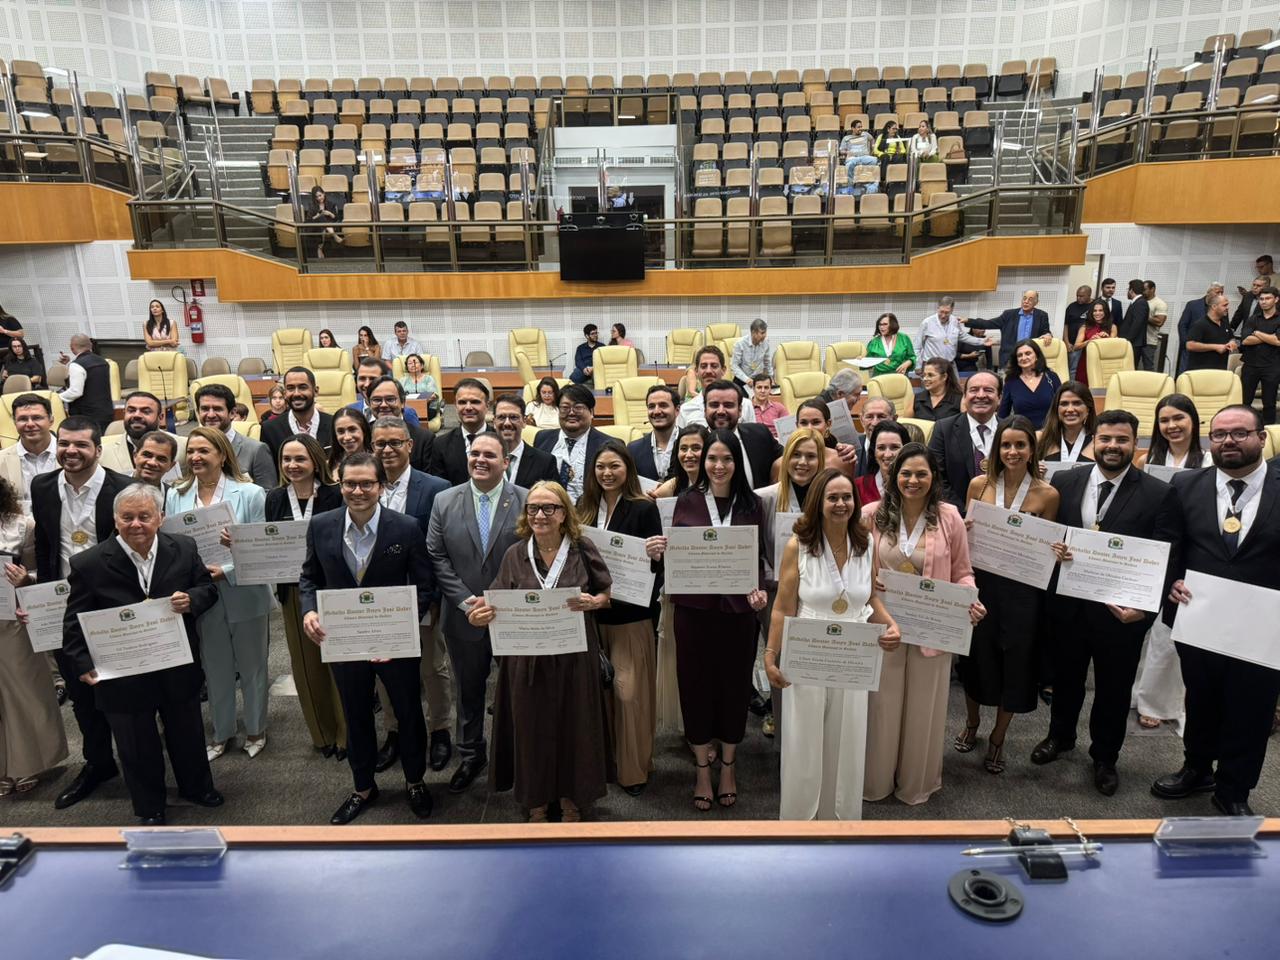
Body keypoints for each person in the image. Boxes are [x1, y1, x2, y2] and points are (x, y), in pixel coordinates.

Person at [1031, 410, 1176, 795]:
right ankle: (1060, 738)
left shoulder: (1158, 493)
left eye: (1121, 440)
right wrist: (1054, 548)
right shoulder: (1066, 480)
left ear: (1136, 444)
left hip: (1120, 614)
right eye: (1106, 439)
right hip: (1069, 606)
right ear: (1095, 441)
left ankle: (1105, 757)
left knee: (1113, 690)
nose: (1112, 447)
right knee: (1066, 680)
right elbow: (1051, 532)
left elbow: (1166, 557)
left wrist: (1146, 610)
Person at [59, 483, 221, 824]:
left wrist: (193, 600)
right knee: (136, 744)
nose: (136, 524)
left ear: (160, 518)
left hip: (175, 661)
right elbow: (73, 622)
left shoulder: (184, 547)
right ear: (115, 520)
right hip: (122, 671)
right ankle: (150, 806)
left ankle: (197, 788)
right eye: (128, 517)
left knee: (187, 732)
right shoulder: (88, 563)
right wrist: (84, 665)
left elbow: (207, 588)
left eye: (144, 516)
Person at [1154, 405, 1280, 816]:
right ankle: (1197, 768)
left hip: (1263, 625)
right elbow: (1171, 544)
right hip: (1200, 617)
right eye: (1220, 434)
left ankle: (1234, 788)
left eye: (1240, 433)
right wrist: (1169, 583)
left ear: (1262, 437)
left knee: (1252, 708)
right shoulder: (1187, 485)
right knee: (1202, 699)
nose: (1229, 441)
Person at [300, 452, 437, 824]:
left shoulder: (406, 527)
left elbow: (425, 586)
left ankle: (414, 781)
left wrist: (395, 628)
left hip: (395, 643)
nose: (358, 491)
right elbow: (309, 578)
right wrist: (309, 610)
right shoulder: (321, 525)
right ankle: (363, 786)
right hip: (344, 640)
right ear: (339, 484)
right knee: (356, 714)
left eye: (367, 484)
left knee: (408, 713)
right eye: (349, 484)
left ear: (381, 486)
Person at [467, 480, 612, 821]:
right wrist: (479, 616)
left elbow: (605, 591)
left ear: (564, 513)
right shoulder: (515, 553)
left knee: (575, 726)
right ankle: (535, 800)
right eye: (533, 508)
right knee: (532, 728)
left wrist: (596, 601)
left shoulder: (582, 548)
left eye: (550, 508)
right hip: (527, 660)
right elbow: (496, 601)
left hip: (575, 656)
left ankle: (571, 798)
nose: (541, 515)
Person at [766, 468, 899, 820]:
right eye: (833, 498)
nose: (841, 504)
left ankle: (840, 819)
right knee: (805, 742)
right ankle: (799, 822)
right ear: (818, 502)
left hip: (854, 653)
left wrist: (890, 625)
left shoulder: (866, 542)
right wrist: (770, 656)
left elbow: (869, 598)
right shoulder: (800, 545)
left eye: (847, 497)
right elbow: (782, 606)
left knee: (847, 739)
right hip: (808, 648)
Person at [864, 443, 984, 804]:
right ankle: (876, 780)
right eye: (905, 473)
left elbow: (963, 571)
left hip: (933, 624)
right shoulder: (871, 514)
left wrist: (972, 598)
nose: (912, 480)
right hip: (883, 623)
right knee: (881, 707)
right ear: (892, 475)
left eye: (921, 474)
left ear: (934, 479)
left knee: (923, 709)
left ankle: (915, 783)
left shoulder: (949, 517)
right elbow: (855, 569)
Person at [31, 417, 132, 809]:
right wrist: (37, 593)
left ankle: (139, 761)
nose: (71, 452)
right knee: (79, 691)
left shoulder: (122, 488)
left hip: (111, 603)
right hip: (60, 605)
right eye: (65, 444)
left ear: (98, 450)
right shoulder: (42, 485)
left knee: (122, 688)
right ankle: (98, 763)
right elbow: (44, 542)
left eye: (80, 446)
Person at [668, 430, 768, 810]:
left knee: (733, 689)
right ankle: (701, 770)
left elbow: (757, 558)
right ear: (702, 462)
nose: (719, 466)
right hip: (693, 613)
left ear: (736, 462)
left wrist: (758, 591)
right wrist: (660, 551)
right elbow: (676, 556)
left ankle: (727, 765)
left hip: (738, 615)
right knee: (694, 689)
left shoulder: (751, 504)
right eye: (712, 458)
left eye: (727, 459)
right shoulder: (685, 502)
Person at [427, 432, 528, 794]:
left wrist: (498, 601)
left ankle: (517, 754)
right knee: (468, 691)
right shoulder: (444, 501)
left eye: (489, 454)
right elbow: (436, 556)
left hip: (514, 616)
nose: (480, 459)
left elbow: (535, 557)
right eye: (475, 453)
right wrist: (468, 602)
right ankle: (471, 755)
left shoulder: (527, 501)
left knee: (517, 690)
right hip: (464, 616)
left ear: (506, 462)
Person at [958, 416, 1060, 774]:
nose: (1013, 451)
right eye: (1006, 445)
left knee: (1016, 666)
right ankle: (972, 724)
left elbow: (1046, 547)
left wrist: (1057, 549)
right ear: (996, 449)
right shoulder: (978, 486)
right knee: (974, 658)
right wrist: (963, 529)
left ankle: (999, 738)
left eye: (1021, 445)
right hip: (981, 584)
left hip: (1022, 594)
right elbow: (962, 541)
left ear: (1032, 450)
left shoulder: (1047, 494)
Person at [166, 427, 272, 761]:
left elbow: (262, 548)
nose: (195, 457)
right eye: (191, 451)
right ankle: (222, 732)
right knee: (215, 668)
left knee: (253, 666)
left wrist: (229, 563)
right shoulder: (175, 495)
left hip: (245, 591)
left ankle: (256, 729)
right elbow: (173, 545)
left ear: (222, 455)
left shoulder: (251, 494)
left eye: (203, 451)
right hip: (203, 594)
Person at [576, 442, 664, 795]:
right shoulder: (583, 511)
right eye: (600, 467)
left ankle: (634, 770)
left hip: (631, 618)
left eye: (614, 466)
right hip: (592, 618)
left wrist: (655, 556)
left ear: (628, 468)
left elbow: (656, 569)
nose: (607, 473)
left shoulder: (643, 508)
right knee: (599, 697)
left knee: (630, 698)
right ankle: (605, 764)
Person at [367, 416, 453, 773]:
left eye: (394, 443)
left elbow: (439, 547)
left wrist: (432, 595)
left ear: (410, 446)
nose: (387, 450)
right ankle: (395, 730)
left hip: (422, 593)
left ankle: (441, 730)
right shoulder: (363, 485)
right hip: (378, 600)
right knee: (384, 669)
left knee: (433, 667)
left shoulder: (436, 488)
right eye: (380, 444)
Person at [266, 435, 346, 759]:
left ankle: (346, 735)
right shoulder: (274, 498)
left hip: (330, 590)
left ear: (315, 460)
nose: (292, 465)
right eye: (286, 459)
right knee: (306, 667)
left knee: (338, 665)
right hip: (292, 591)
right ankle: (322, 734)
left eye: (300, 459)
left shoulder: (334, 495)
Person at [1132, 395, 1203, 731]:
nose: (1172, 426)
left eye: (1179, 418)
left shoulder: (1208, 461)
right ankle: (1139, 692)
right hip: (1153, 548)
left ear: (1193, 420)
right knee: (1148, 627)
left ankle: (1158, 702)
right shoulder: (1147, 459)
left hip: (1192, 550)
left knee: (1171, 631)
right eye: (1164, 421)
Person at [0, 475, 66, 797]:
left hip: (12, 620)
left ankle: (27, 764)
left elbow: (42, 572)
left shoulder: (22, 525)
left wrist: (25, 579)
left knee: (24, 695)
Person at [927, 370, 1001, 513]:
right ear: (964, 396)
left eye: (988, 390)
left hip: (1001, 519)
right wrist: (962, 514)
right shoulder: (943, 429)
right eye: (974, 390)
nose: (980, 395)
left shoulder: (1009, 430)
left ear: (1000, 398)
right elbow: (937, 478)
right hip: (956, 515)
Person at [700, 379, 782, 489]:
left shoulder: (759, 434)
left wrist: (776, 471)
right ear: (705, 410)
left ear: (740, 411)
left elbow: (787, 456)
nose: (721, 411)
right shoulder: (694, 445)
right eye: (714, 405)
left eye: (728, 405)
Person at [533, 383, 609, 502]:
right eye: (565, 407)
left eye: (578, 407)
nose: (571, 413)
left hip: (590, 514)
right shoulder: (542, 438)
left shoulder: (608, 445)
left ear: (591, 412)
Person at [194, 383, 276, 489]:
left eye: (217, 409)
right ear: (198, 412)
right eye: (205, 409)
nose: (210, 415)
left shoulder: (256, 450)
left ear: (232, 413)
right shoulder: (191, 450)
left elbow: (269, 496)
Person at [261, 367, 336, 460]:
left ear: (316, 391)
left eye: (303, 387)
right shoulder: (270, 429)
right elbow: (269, 472)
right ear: (285, 394)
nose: (296, 393)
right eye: (290, 388)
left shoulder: (334, 424)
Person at [428, 377, 492, 485]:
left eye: (475, 402)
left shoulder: (501, 440)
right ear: (456, 406)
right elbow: (440, 487)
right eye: (462, 402)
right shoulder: (440, 444)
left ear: (487, 406)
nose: (468, 407)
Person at [966, 290, 1053, 367]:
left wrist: (1048, 335)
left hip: (1031, 358)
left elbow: (1046, 332)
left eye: (1030, 299)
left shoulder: (1042, 315)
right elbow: (988, 323)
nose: (1026, 301)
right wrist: (968, 321)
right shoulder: (1009, 315)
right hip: (1010, 358)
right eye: (1024, 298)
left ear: (1036, 302)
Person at [677, 346, 757, 427]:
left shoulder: (745, 405)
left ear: (723, 370)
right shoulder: (686, 410)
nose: (708, 371)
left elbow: (751, 438)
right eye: (704, 366)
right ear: (696, 371)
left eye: (714, 366)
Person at [366, 376, 433, 471]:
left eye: (390, 399)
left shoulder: (424, 438)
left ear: (402, 402)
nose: (383, 405)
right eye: (377, 400)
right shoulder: (363, 436)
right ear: (369, 404)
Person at [491, 393, 557, 488]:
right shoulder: (482, 459)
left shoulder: (545, 462)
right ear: (494, 422)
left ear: (524, 421)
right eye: (501, 417)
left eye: (513, 417)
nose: (507, 423)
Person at [0, 393, 58, 497]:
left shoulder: (75, 454)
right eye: (23, 419)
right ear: (15, 422)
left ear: (51, 420)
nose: (30, 424)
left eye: (37, 418)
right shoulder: (1, 460)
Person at [1239, 285, 1280, 424]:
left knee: (1269, 403)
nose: (1263, 301)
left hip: (1272, 366)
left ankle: (1269, 433)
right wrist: (1270, 337)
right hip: (1251, 365)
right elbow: (1245, 340)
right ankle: (1243, 428)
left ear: (1276, 299)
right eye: (1261, 299)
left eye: (1267, 298)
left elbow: (1278, 342)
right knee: (1244, 401)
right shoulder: (1253, 318)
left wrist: (1256, 332)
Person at [998, 339, 1061, 429]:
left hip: (1051, 433)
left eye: (1028, 353)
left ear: (1037, 356)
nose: (1023, 358)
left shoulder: (1051, 377)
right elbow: (1003, 415)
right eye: (1019, 355)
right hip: (1024, 435)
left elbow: (1062, 405)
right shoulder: (1010, 381)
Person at [57, 334, 114, 431]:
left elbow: (75, 392)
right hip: (106, 412)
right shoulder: (103, 361)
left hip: (86, 417)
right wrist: (69, 364)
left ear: (72, 348)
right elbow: (93, 382)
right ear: (90, 346)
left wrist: (56, 397)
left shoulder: (77, 365)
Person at [791, 398, 858, 477]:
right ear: (797, 425)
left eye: (816, 422)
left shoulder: (842, 460)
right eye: (803, 423)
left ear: (828, 424)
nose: (809, 428)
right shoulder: (783, 462)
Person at [1037, 380, 1096, 466]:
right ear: (1056, 409)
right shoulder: (1040, 439)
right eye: (1064, 404)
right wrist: (1033, 471)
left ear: (1088, 409)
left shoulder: (1098, 441)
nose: (1070, 409)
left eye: (1077, 403)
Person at [627, 384, 680, 482]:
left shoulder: (692, 443)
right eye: (651, 406)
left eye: (663, 405)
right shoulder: (633, 450)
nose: (656, 411)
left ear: (677, 410)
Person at [918, 296, 988, 366]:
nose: (943, 315)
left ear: (952, 310)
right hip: (932, 365)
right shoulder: (927, 323)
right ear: (938, 308)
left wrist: (983, 341)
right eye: (941, 311)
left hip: (950, 364)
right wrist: (918, 365)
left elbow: (964, 337)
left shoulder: (955, 321)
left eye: (947, 313)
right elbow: (917, 346)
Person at [856, 420, 911, 506]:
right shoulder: (859, 486)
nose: (888, 454)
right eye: (881, 448)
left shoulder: (915, 485)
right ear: (873, 451)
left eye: (894, 447)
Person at [1176, 283, 1225, 375]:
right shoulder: (1192, 305)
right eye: (1217, 292)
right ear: (1208, 292)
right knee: (1185, 375)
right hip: (1191, 347)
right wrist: (1185, 342)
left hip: (1209, 350)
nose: (1220, 295)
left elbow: (1222, 327)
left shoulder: (1221, 309)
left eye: (1222, 293)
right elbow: (1182, 325)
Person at [1184, 292, 1236, 372]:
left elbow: (1231, 337)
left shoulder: (1224, 323)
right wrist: (1215, 347)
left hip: (1220, 370)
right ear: (1214, 306)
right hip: (1201, 370)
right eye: (1224, 305)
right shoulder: (1200, 324)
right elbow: (1190, 345)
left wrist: (1232, 343)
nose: (1227, 308)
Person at [1073, 299, 1118, 386]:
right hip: (1085, 363)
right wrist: (1090, 341)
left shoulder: (1112, 327)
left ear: (1105, 312)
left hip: (1104, 365)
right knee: (1083, 391)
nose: (1097, 313)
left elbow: (1113, 349)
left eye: (1100, 310)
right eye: (1095, 311)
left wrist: (1107, 339)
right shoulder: (1085, 327)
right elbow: (1076, 346)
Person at [866, 312, 916, 377]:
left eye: (885, 324)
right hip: (879, 378)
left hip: (899, 377)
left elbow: (912, 357)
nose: (881, 327)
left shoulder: (904, 338)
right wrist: (861, 359)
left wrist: (907, 363)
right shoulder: (874, 342)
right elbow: (867, 362)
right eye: (880, 324)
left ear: (893, 324)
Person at [913, 357, 962, 423]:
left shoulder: (959, 399)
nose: (925, 379)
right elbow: (906, 424)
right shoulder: (917, 398)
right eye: (924, 375)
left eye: (930, 375)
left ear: (944, 376)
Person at [328, 405, 372, 474]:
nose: (347, 437)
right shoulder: (329, 466)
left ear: (364, 430)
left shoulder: (379, 461)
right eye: (341, 431)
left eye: (352, 430)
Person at [1118, 279, 1152, 367]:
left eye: (1128, 289)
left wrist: (1127, 340)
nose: (1127, 292)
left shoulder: (1141, 303)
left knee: (1130, 368)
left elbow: (1137, 324)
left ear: (1131, 290)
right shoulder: (1137, 302)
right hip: (1131, 343)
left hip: (1134, 344)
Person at [730, 318, 772, 387]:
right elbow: (734, 366)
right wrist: (747, 380)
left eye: (765, 332)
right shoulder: (740, 344)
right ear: (753, 332)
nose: (764, 336)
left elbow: (767, 362)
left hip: (758, 380)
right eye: (762, 333)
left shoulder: (766, 342)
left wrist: (771, 378)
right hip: (742, 380)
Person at [305, 185, 342, 259]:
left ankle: (319, 249)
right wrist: (317, 215)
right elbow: (308, 220)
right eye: (316, 197)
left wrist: (330, 214)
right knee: (321, 217)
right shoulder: (312, 205)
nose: (319, 198)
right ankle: (334, 235)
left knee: (323, 229)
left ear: (324, 194)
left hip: (327, 227)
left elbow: (337, 218)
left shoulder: (331, 204)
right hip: (314, 227)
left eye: (320, 195)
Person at [1062, 285, 1093, 372]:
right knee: (1072, 369)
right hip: (1072, 345)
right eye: (1077, 296)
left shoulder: (1095, 307)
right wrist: (1067, 342)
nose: (1078, 298)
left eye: (1081, 296)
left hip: (1088, 344)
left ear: (1089, 295)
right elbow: (1065, 325)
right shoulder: (1072, 306)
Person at [1143, 280, 1169, 370]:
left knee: (1148, 368)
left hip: (1149, 342)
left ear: (1152, 289)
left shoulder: (1160, 303)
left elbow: (1159, 322)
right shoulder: (1140, 301)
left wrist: (1143, 316)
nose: (1143, 291)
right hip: (1137, 341)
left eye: (1145, 289)